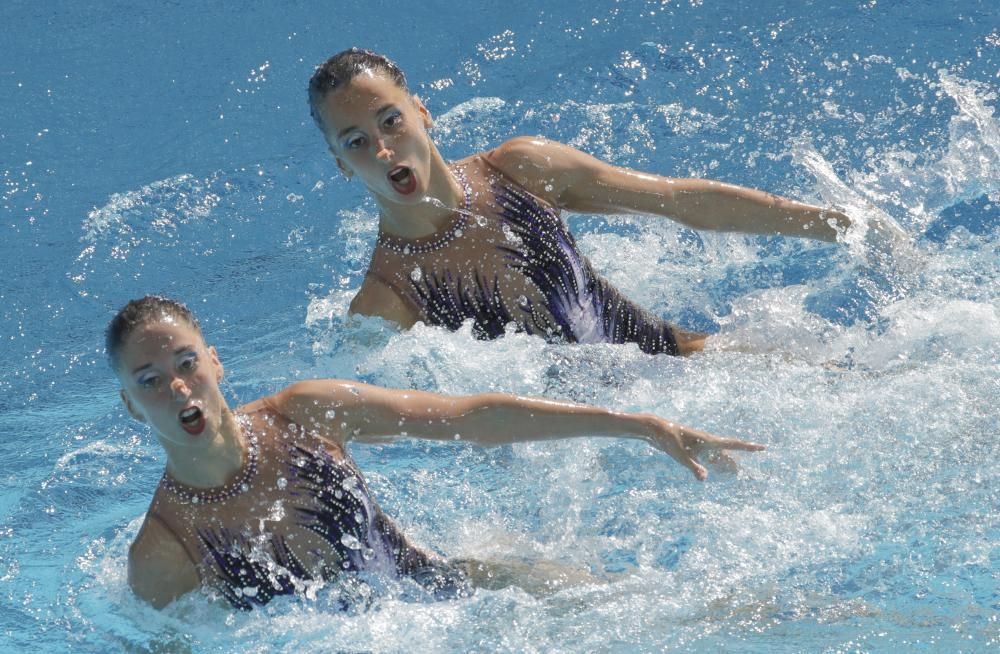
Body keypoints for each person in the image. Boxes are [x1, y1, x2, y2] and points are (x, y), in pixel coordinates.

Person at [110, 295, 764, 610]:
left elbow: (471, 418)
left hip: (454, 595)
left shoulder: (305, 413)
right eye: (149, 381)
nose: (176, 388)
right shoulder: (166, 549)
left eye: (186, 363)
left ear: (215, 362)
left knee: (660, 607)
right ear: (130, 407)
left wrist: (639, 424)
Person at [307, 48, 905, 355]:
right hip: (585, 454)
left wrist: (837, 224)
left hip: (675, 361)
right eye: (357, 143)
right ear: (340, 164)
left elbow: (677, 201)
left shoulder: (520, 170)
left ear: (422, 114)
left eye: (391, 121)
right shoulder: (388, 295)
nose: (384, 150)